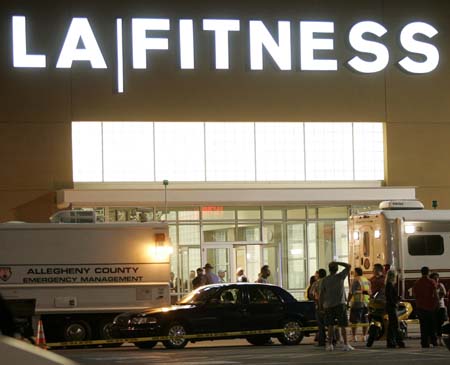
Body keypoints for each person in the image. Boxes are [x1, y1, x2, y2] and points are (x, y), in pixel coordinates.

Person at [319, 261, 354, 351]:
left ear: (329, 269)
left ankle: (330, 344)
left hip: (328, 305)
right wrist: (337, 262)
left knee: (330, 325)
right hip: (340, 304)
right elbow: (348, 266)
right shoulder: (340, 277)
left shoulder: (324, 280)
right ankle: (346, 344)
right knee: (343, 325)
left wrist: (320, 306)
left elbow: (321, 294)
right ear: (337, 269)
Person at [413, 266, 439, 348]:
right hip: (430, 306)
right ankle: (434, 341)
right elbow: (435, 294)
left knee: (423, 326)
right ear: (428, 272)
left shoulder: (417, 282)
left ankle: (424, 342)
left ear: (421, 272)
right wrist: (436, 304)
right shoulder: (431, 282)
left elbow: (415, 295)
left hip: (421, 307)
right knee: (431, 325)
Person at [348, 267, 371, 342]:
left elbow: (351, 292)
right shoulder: (366, 280)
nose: (353, 274)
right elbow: (369, 291)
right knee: (365, 320)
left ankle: (354, 336)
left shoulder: (355, 280)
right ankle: (364, 336)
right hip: (366, 302)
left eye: (354, 272)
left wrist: (348, 301)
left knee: (354, 320)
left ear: (357, 272)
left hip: (357, 302)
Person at [385, 270, 406, 348]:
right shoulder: (390, 285)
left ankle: (391, 341)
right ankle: (396, 341)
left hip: (390, 306)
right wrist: (396, 302)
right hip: (392, 307)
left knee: (392, 324)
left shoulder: (388, 285)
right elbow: (390, 297)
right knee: (395, 324)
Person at [430, 272, 448, 346]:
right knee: (434, 324)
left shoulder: (440, 285)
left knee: (440, 324)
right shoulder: (430, 286)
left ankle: (440, 340)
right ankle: (434, 340)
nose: (436, 279)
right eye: (435, 278)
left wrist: (438, 295)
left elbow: (444, 293)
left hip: (441, 306)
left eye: (437, 278)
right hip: (433, 307)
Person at [311, 268, 327, 347]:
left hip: (319, 306)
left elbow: (312, 294)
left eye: (316, 274)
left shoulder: (316, 284)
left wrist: (316, 301)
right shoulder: (329, 282)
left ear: (319, 275)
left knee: (321, 325)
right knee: (331, 324)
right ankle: (333, 340)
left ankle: (322, 341)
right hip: (329, 306)